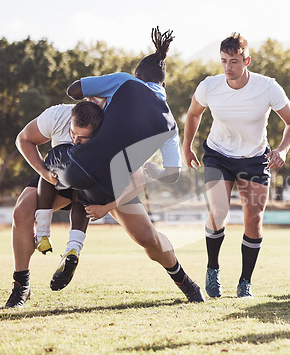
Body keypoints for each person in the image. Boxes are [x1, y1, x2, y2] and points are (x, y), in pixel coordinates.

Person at [63, 27, 204, 304]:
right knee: (150, 241)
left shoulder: (124, 81)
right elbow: (173, 176)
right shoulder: (171, 125)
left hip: (75, 168)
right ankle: (186, 283)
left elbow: (73, 90)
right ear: (163, 86)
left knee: (46, 193)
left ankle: (45, 256)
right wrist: (154, 170)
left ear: (138, 76)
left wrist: (101, 101)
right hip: (114, 187)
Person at [182, 33, 290, 298]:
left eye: (234, 61)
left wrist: (282, 149)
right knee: (219, 211)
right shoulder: (210, 86)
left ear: (246, 60)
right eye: (224, 61)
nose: (228, 67)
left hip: (256, 158)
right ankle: (213, 269)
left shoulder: (267, 87)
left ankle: (245, 282)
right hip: (218, 155)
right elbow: (193, 113)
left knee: (254, 219)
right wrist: (186, 146)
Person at [6, 101, 104, 308]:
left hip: (88, 183)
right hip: (54, 178)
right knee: (21, 212)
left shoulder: (109, 125)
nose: (76, 140)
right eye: (73, 134)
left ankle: (73, 251)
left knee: (147, 237)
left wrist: (111, 203)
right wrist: (43, 172)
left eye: (83, 137)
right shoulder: (58, 116)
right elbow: (23, 139)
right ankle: (21, 285)